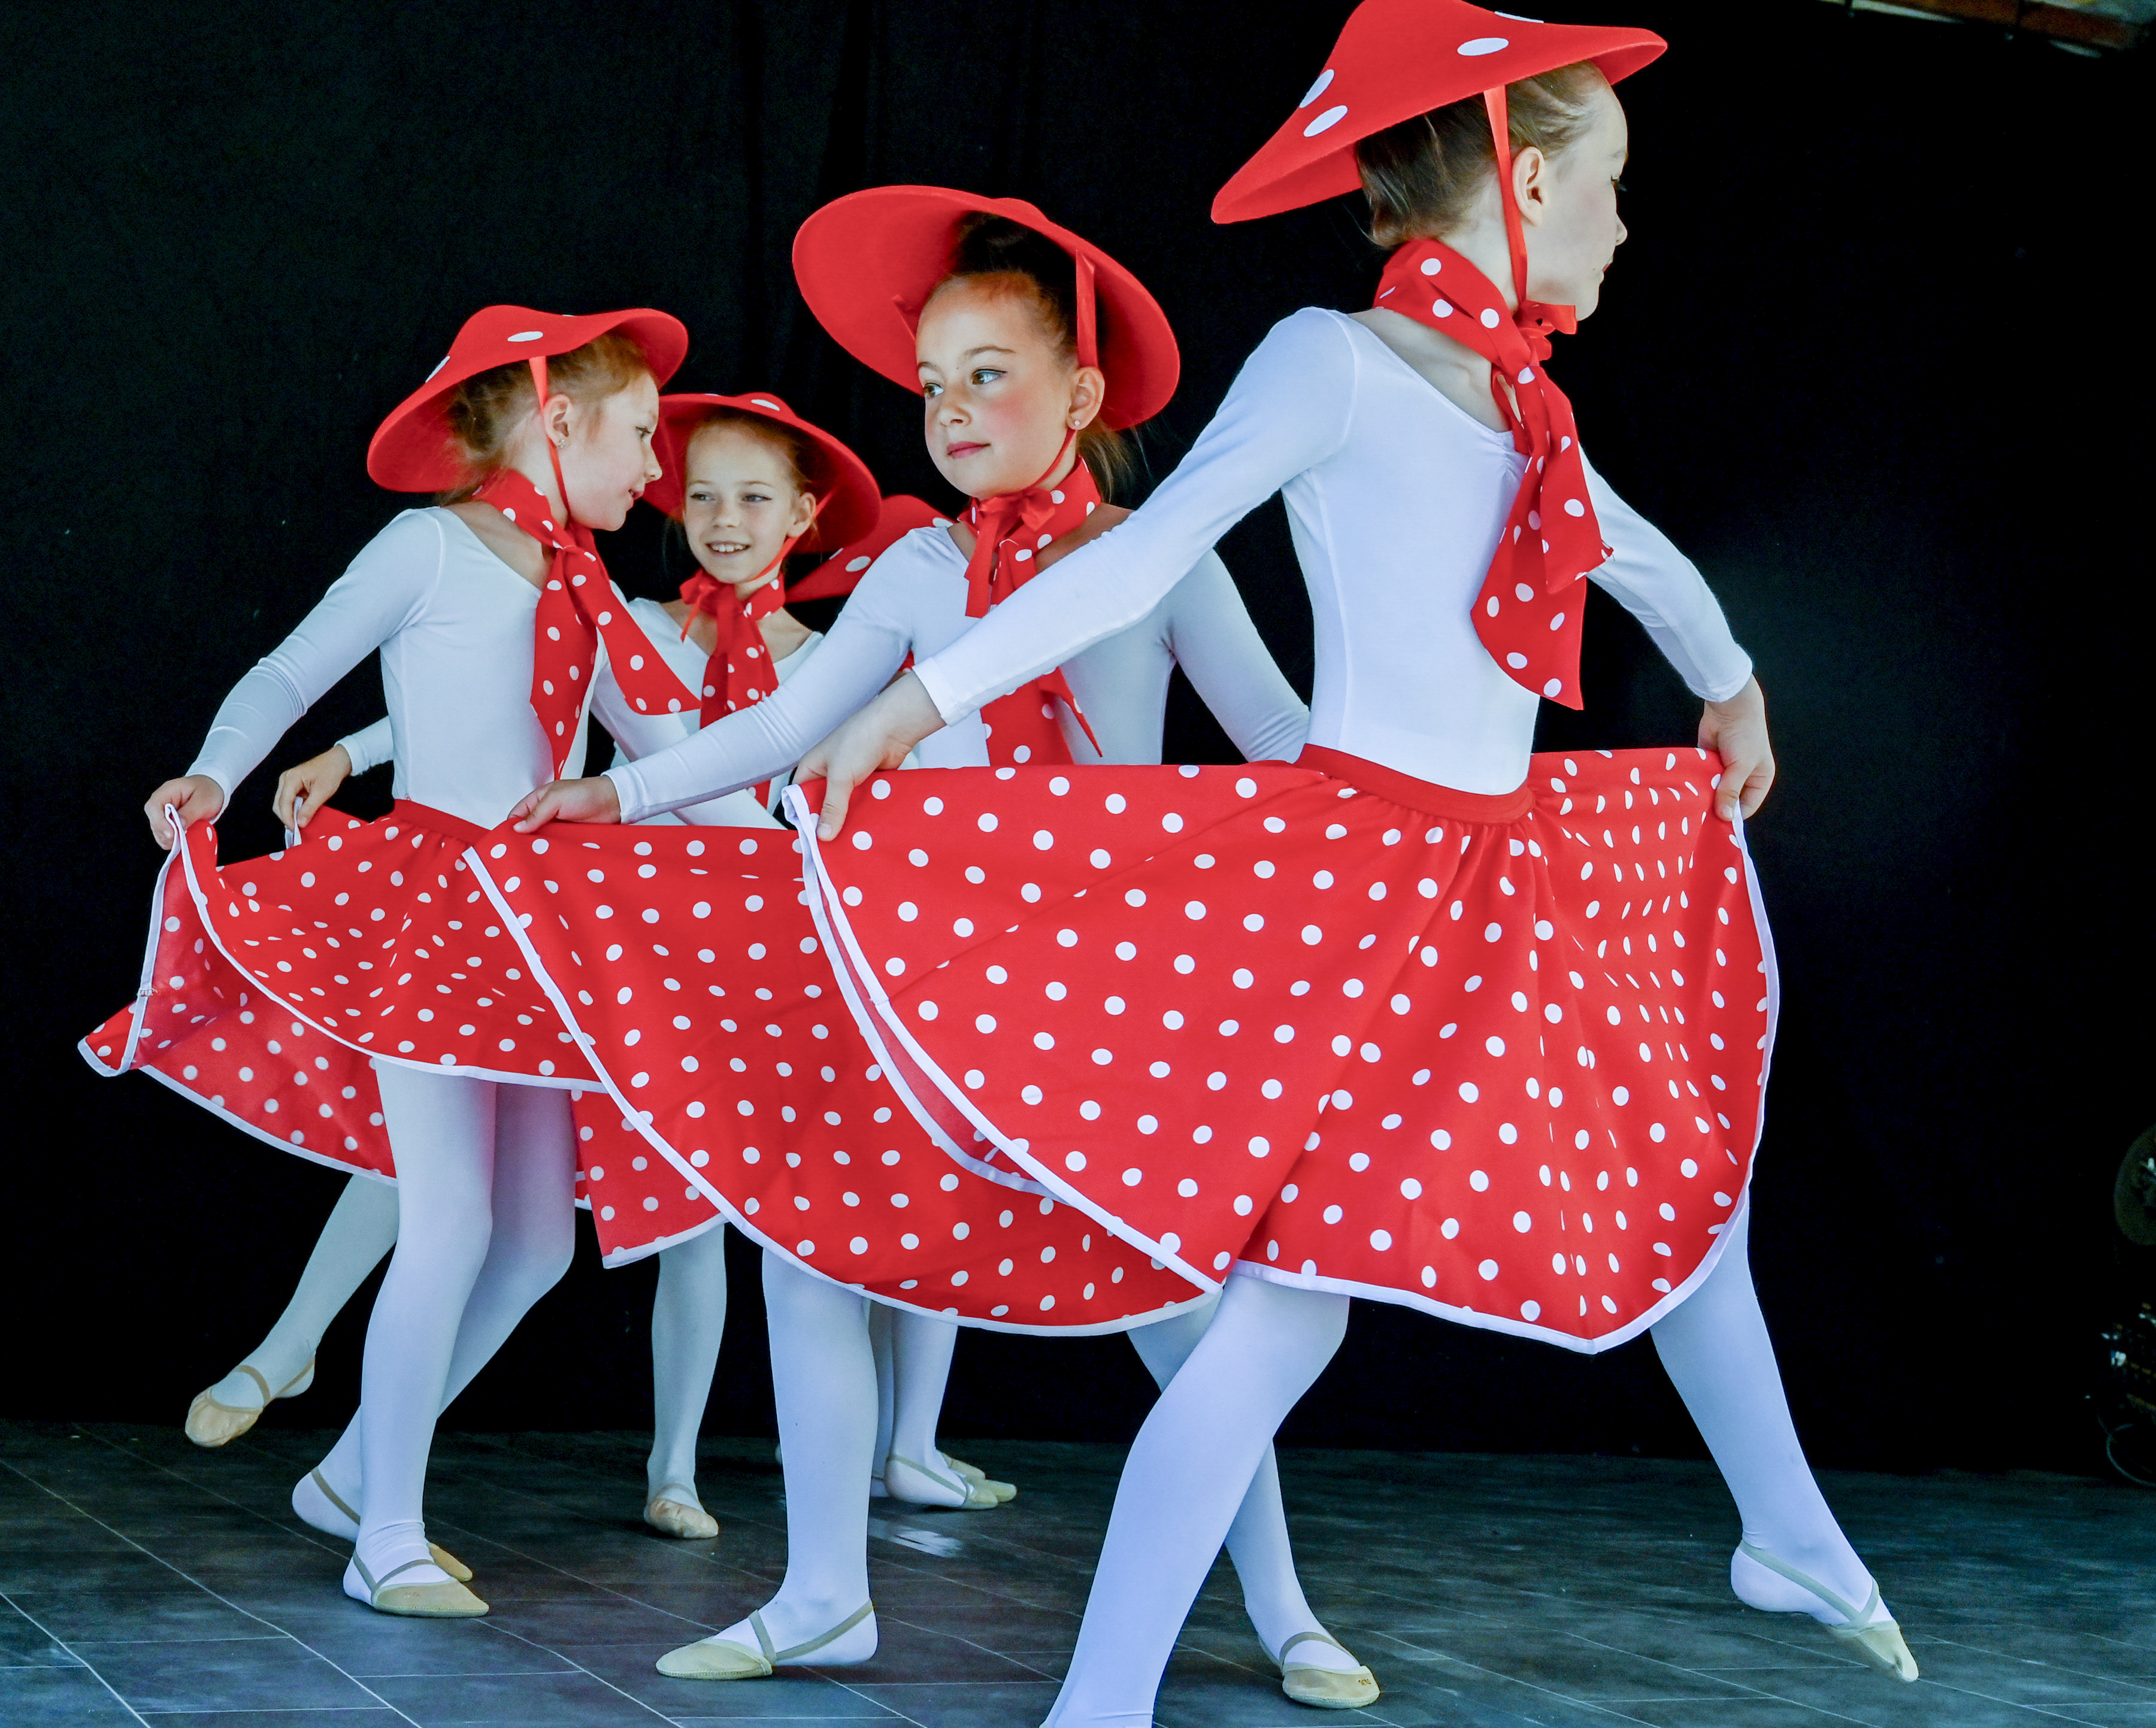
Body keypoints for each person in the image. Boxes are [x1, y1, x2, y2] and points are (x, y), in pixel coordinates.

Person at [775, 4, 1919, 1715]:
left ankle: (1789, 1526)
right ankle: (1100, 1700)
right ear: (1525, 180)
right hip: (1371, 878)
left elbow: (1628, 550)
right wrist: (918, 698)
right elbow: (1146, 550)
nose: (1626, 221)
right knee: (1283, 1317)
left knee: (1682, 1170)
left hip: (1503, 866)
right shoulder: (1334, 357)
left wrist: (1734, 678)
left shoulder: (1521, 400)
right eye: (1610, 182)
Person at [505, 192, 1371, 1704]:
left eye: (989, 374)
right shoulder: (914, 573)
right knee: (808, 1258)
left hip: (1100, 995)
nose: (953, 410)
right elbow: (790, 724)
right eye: (931, 385)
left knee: (1180, 1310)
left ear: (1082, 395)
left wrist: (1397, 814)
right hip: (922, 986)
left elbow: (1281, 735)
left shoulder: (1157, 563)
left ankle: (1285, 1606)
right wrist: (618, 793)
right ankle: (824, 1593)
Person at [84, 305, 698, 1616]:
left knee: (533, 1241)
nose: (660, 467)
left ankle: (355, 1474)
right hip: (433, 912)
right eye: (643, 434)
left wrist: (819, 830)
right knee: (453, 1218)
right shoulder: (429, 545)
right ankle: (389, 1538)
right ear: (558, 420)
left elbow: (679, 753)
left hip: (539, 927)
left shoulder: (584, 587)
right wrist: (214, 772)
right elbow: (291, 669)